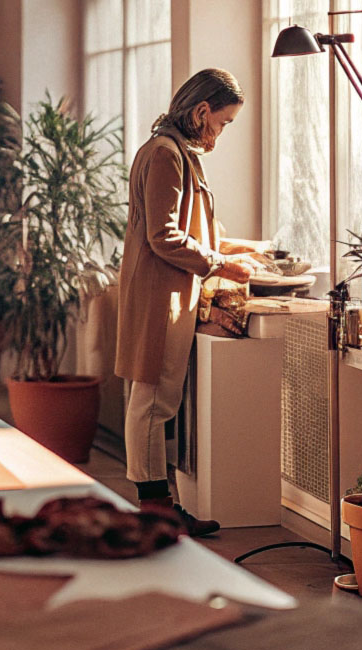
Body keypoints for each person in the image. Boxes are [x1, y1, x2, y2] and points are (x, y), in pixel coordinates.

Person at [116, 68, 261, 537]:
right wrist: (221, 264)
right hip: (162, 295)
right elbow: (164, 236)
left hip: (166, 292)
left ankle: (160, 505)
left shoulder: (173, 151)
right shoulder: (166, 155)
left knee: (154, 400)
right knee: (153, 401)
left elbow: (186, 228)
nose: (222, 132)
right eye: (223, 122)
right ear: (201, 112)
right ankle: (156, 509)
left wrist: (246, 250)